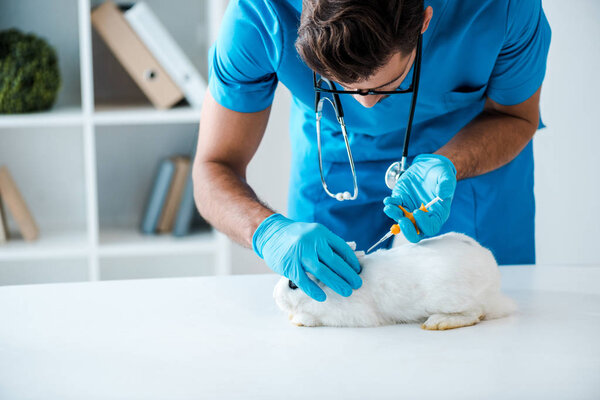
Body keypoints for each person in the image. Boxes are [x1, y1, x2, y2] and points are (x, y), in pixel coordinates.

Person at [193, 0, 551, 301]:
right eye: (341, 86)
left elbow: (516, 117)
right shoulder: (260, 14)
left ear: (424, 21)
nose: (367, 107)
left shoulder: (501, 7)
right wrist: (266, 231)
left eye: (388, 85)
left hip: (469, 161)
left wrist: (450, 164)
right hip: (335, 163)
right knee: (332, 327)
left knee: (485, 323)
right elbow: (213, 166)